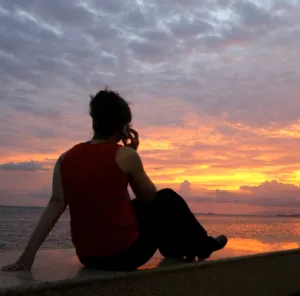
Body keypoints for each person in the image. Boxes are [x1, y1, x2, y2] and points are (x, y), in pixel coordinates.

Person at [1, 88, 227, 272]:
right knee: (167, 197)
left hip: (88, 257)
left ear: (95, 122)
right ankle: (202, 245)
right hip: (125, 256)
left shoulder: (64, 158)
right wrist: (134, 153)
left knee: (143, 205)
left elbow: (55, 205)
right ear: (123, 127)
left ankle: (179, 247)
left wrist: (27, 256)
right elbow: (150, 198)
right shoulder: (126, 155)